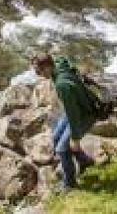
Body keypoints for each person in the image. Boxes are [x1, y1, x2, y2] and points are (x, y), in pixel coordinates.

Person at [32, 53, 97, 192]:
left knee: (62, 148)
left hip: (84, 115)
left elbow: (73, 116)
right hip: (77, 109)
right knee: (56, 138)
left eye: (39, 71)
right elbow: (64, 59)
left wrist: (75, 138)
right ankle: (85, 161)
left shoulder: (62, 85)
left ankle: (70, 184)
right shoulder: (60, 64)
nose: (39, 75)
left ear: (48, 67)